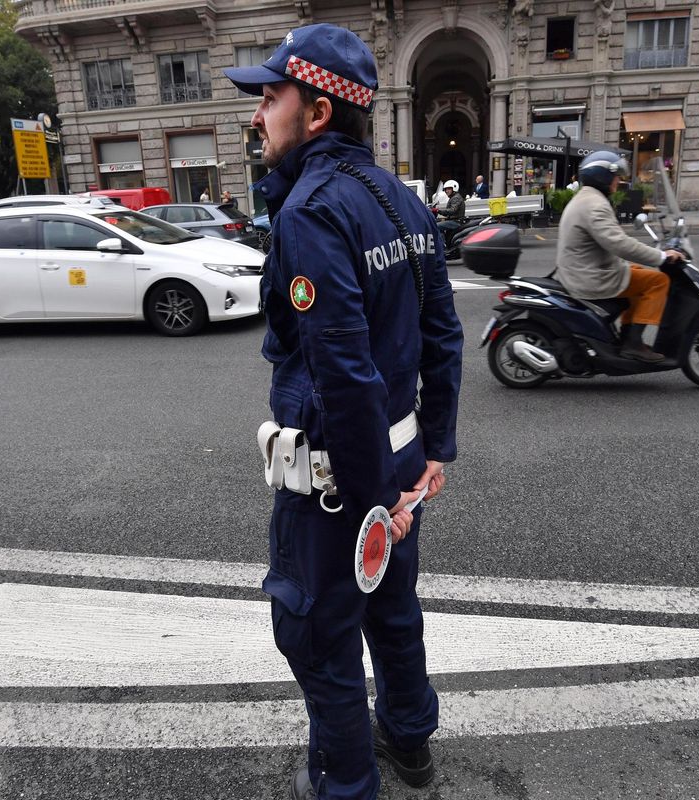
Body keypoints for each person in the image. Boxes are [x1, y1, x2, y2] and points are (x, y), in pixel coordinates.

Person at [222, 23, 463, 800]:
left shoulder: (311, 213)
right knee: (393, 610)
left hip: (340, 483)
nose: (257, 115)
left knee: (319, 638)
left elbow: (343, 374)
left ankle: (345, 782)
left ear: (317, 111)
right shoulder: (401, 202)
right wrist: (434, 451)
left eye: (269, 96)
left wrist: (371, 506)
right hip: (395, 461)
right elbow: (443, 337)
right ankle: (412, 740)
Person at [556, 150, 685, 363]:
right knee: (659, 281)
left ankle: (628, 337)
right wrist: (661, 257)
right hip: (589, 277)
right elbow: (619, 244)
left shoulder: (587, 198)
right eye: (616, 176)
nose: (618, 180)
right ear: (602, 176)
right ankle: (633, 343)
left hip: (585, 269)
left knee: (638, 272)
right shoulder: (595, 205)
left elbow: (613, 242)